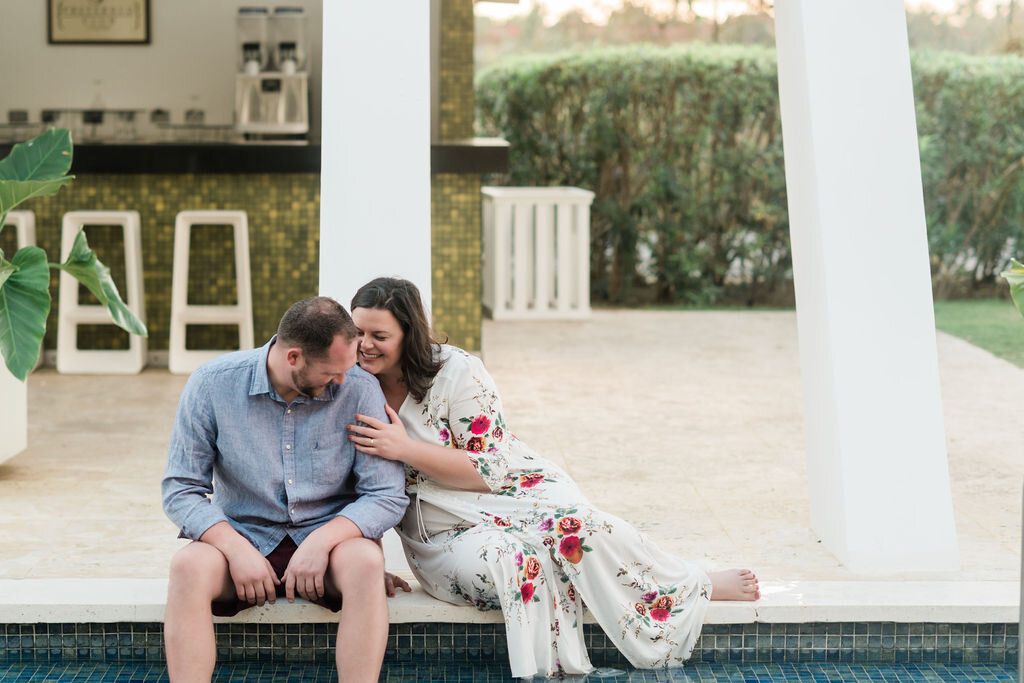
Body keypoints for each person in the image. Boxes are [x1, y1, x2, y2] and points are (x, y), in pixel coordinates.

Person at [346, 277, 760, 679]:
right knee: (519, 563)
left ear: (410, 334)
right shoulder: (350, 384)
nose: (364, 345)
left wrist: (403, 448)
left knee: (577, 530)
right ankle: (552, 673)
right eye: (358, 331)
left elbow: (488, 471)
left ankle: (689, 582)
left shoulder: (458, 371)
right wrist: (366, 562)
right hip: (442, 531)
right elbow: (358, 485)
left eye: (378, 335)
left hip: (511, 490)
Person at [162, 296, 408, 682]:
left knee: (366, 562)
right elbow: (181, 488)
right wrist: (234, 547)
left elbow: (386, 494)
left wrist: (322, 541)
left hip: (330, 549)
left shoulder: (359, 388)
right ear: (293, 357)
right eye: (332, 371)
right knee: (188, 566)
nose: (343, 380)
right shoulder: (212, 383)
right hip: (244, 539)